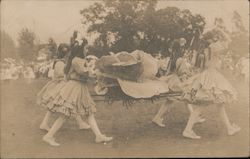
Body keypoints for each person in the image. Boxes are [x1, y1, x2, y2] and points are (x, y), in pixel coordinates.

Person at [42, 40, 113, 146]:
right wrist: (95, 71)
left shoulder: (79, 59)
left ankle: (98, 136)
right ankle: (48, 136)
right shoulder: (76, 60)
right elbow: (84, 73)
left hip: (80, 87)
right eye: (85, 48)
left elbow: (86, 73)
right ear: (80, 49)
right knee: (65, 114)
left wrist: (94, 71)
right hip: (74, 88)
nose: (86, 50)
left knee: (89, 113)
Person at [181, 38, 241, 139]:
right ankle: (187, 130)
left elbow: (198, 66)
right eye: (213, 39)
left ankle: (229, 128)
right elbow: (225, 45)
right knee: (202, 106)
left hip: (204, 76)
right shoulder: (212, 49)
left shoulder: (201, 52)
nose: (215, 41)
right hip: (212, 77)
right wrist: (221, 36)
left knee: (219, 105)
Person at [37, 44, 90, 132]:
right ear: (65, 54)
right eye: (68, 54)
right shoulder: (59, 62)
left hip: (62, 84)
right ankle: (45, 123)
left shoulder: (62, 62)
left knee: (69, 104)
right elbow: (62, 74)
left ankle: (80, 123)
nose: (69, 55)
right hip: (59, 85)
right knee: (62, 105)